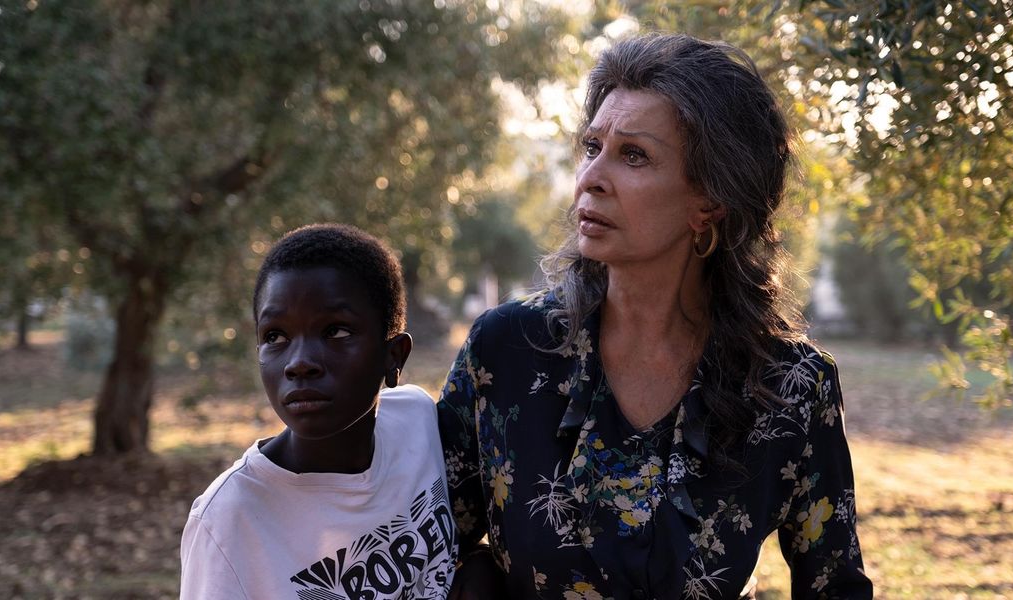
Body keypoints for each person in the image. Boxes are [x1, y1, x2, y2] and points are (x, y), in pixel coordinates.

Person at [438, 33, 874, 599]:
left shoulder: (790, 388)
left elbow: (835, 587)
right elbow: (421, 549)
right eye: (592, 147)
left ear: (710, 202)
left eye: (634, 155)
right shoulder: (506, 350)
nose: (591, 178)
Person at [180, 224, 457, 599]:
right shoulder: (228, 521)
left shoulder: (417, 420)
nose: (299, 363)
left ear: (394, 356)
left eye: (336, 332)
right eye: (276, 336)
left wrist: (477, 564)